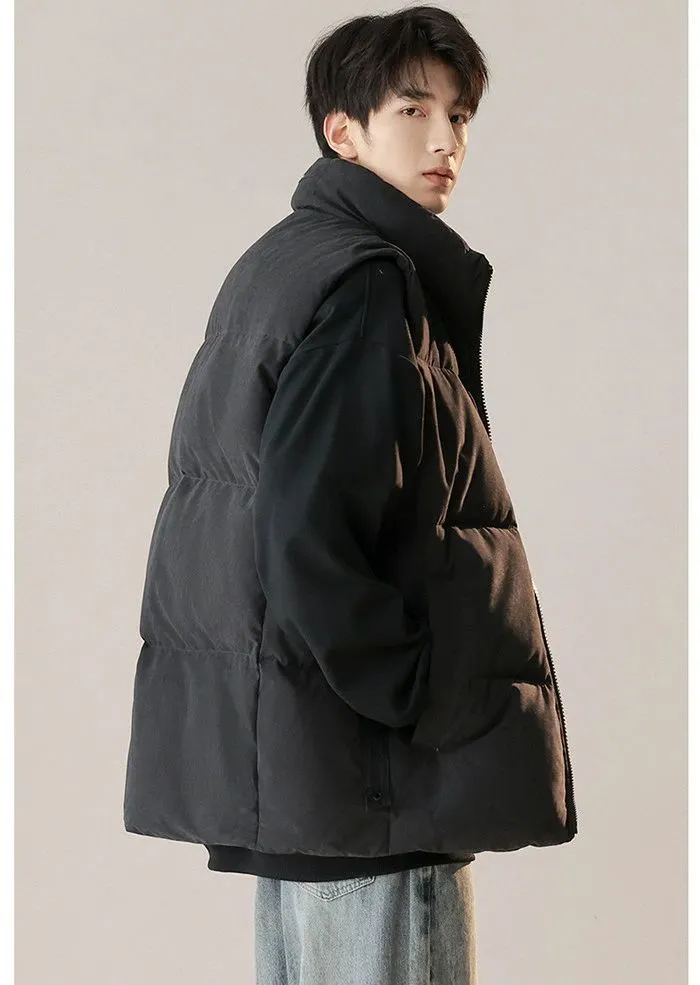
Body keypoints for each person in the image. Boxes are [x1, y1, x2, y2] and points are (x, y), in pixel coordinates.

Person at [123, 7, 578, 984]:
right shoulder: (366, 283)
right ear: (344, 132)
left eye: (458, 116)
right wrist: (416, 698)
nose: (445, 140)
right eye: (413, 110)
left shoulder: (287, 262)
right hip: (375, 789)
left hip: (315, 782)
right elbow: (307, 536)